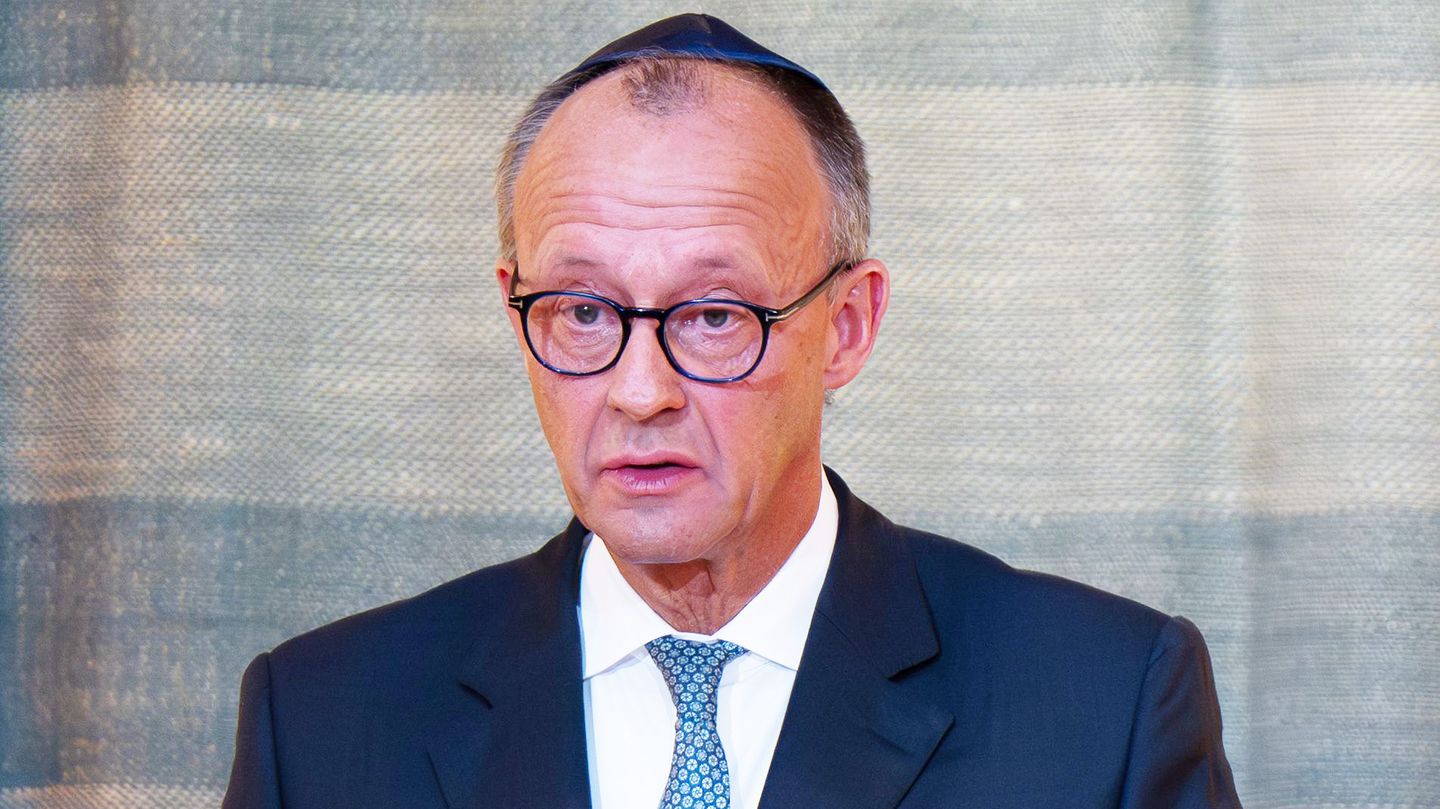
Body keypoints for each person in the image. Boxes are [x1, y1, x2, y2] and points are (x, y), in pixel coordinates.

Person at [222, 13, 1241, 808]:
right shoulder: (321, 720)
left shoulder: (1103, 706)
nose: (640, 391)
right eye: (583, 310)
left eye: (714, 315)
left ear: (847, 325)